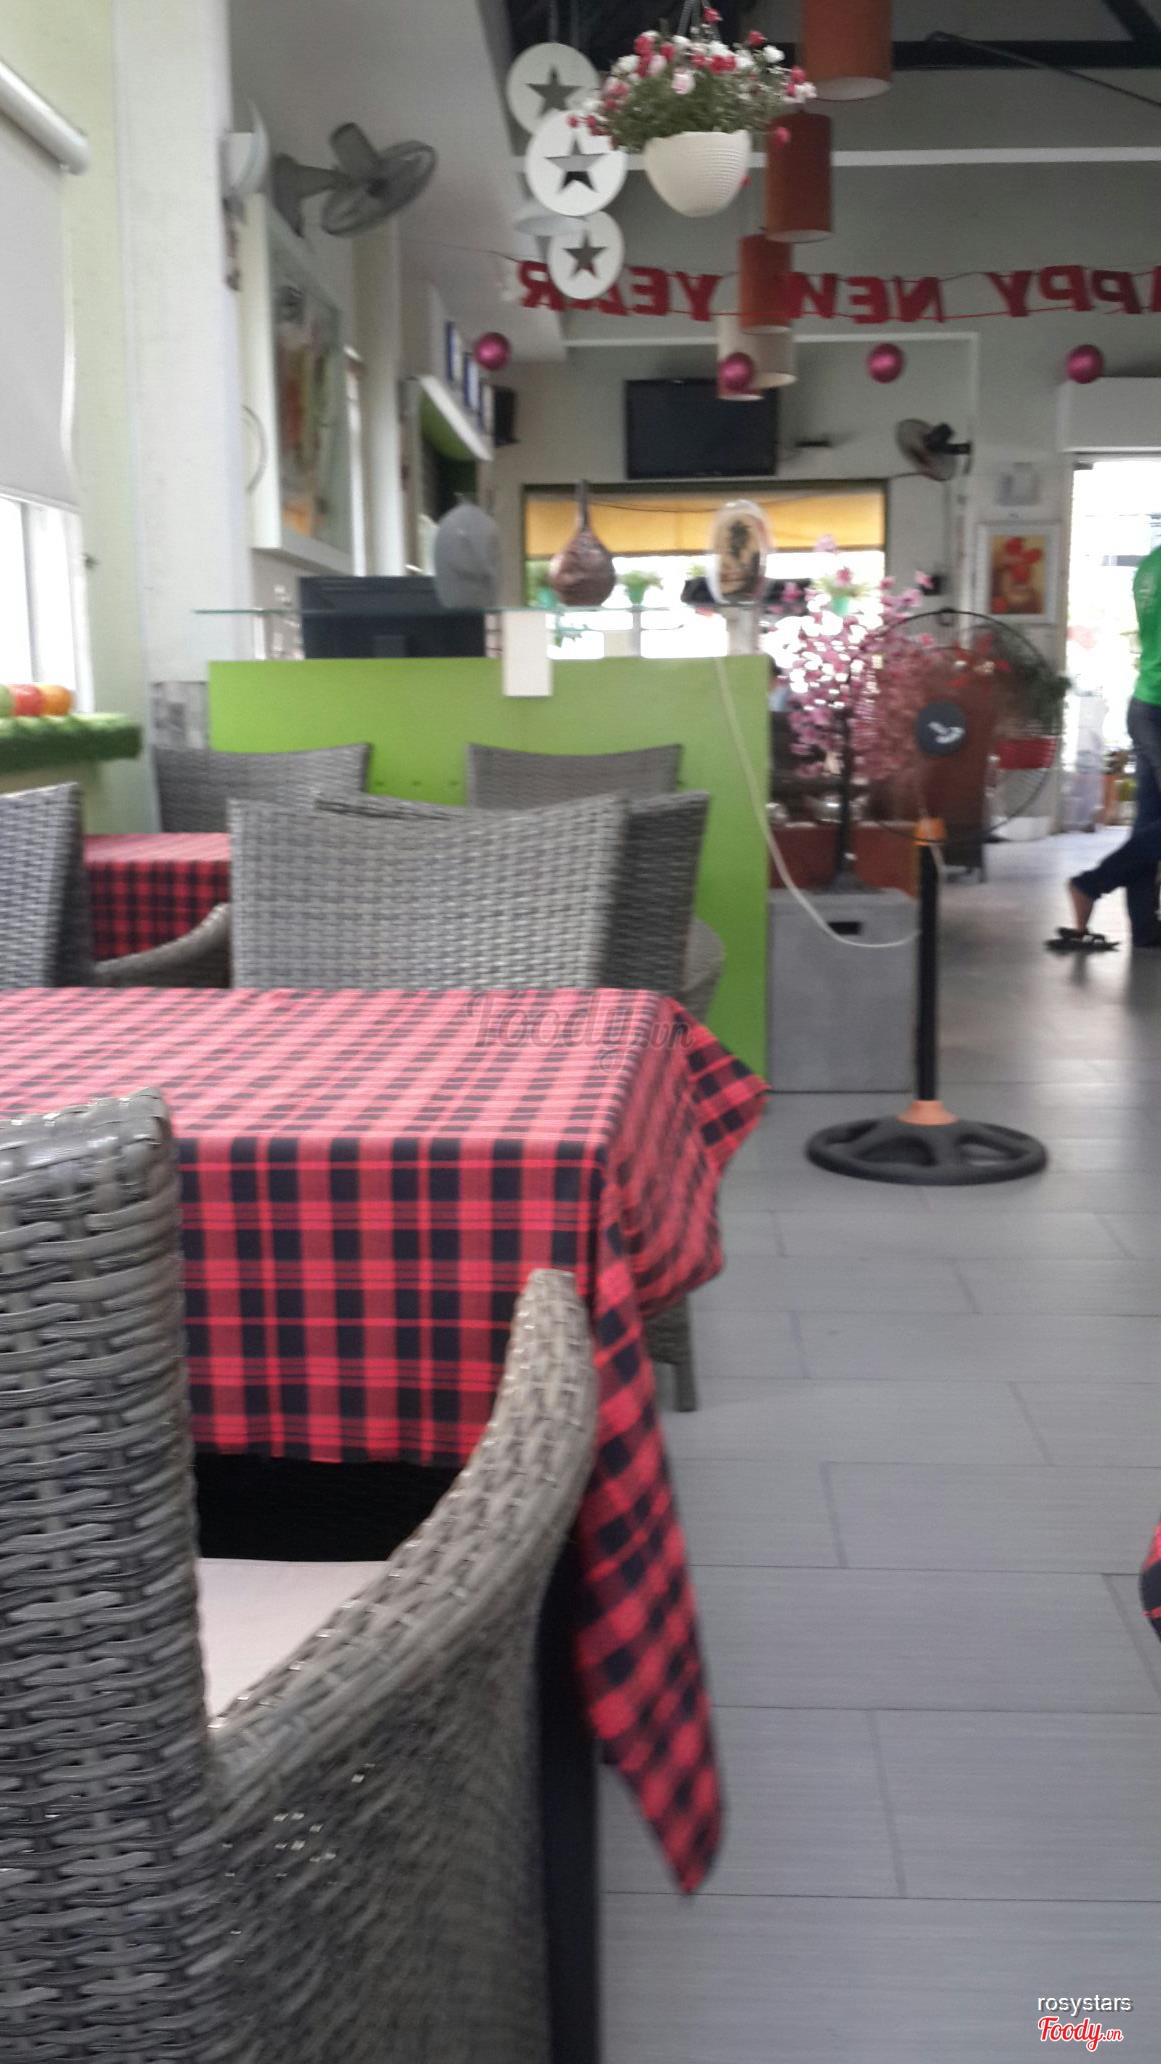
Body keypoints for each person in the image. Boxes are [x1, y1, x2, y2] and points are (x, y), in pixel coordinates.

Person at [1067, 541, 1161, 947]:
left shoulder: (1150, 566)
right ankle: (1091, 884)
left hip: (1146, 703)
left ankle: (1144, 927)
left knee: (1148, 823)